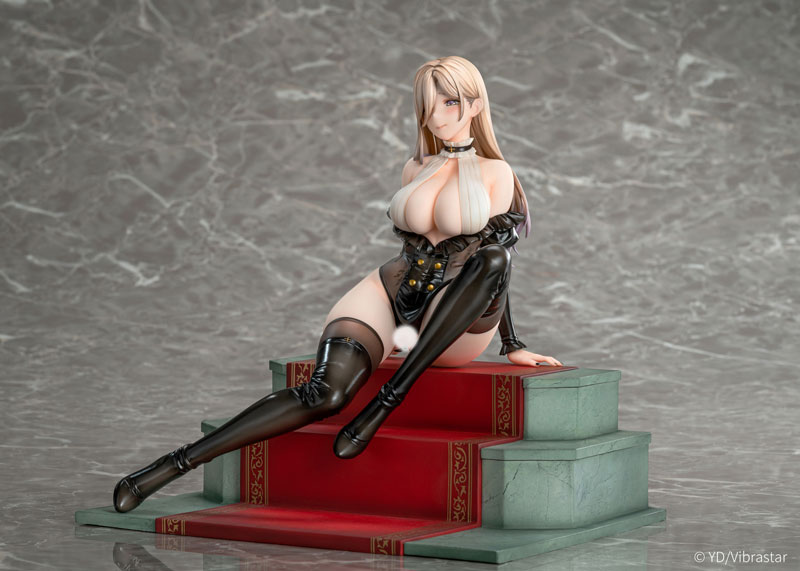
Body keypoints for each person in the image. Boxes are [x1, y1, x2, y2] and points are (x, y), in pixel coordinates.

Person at [113, 55, 563, 513]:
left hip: (458, 319)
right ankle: (171, 465)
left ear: (475, 104)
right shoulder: (416, 167)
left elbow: (495, 267)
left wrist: (512, 343)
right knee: (324, 393)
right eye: (428, 104)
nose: (437, 115)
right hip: (398, 289)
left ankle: (385, 402)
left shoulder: (496, 173)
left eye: (450, 102)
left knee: (492, 256)